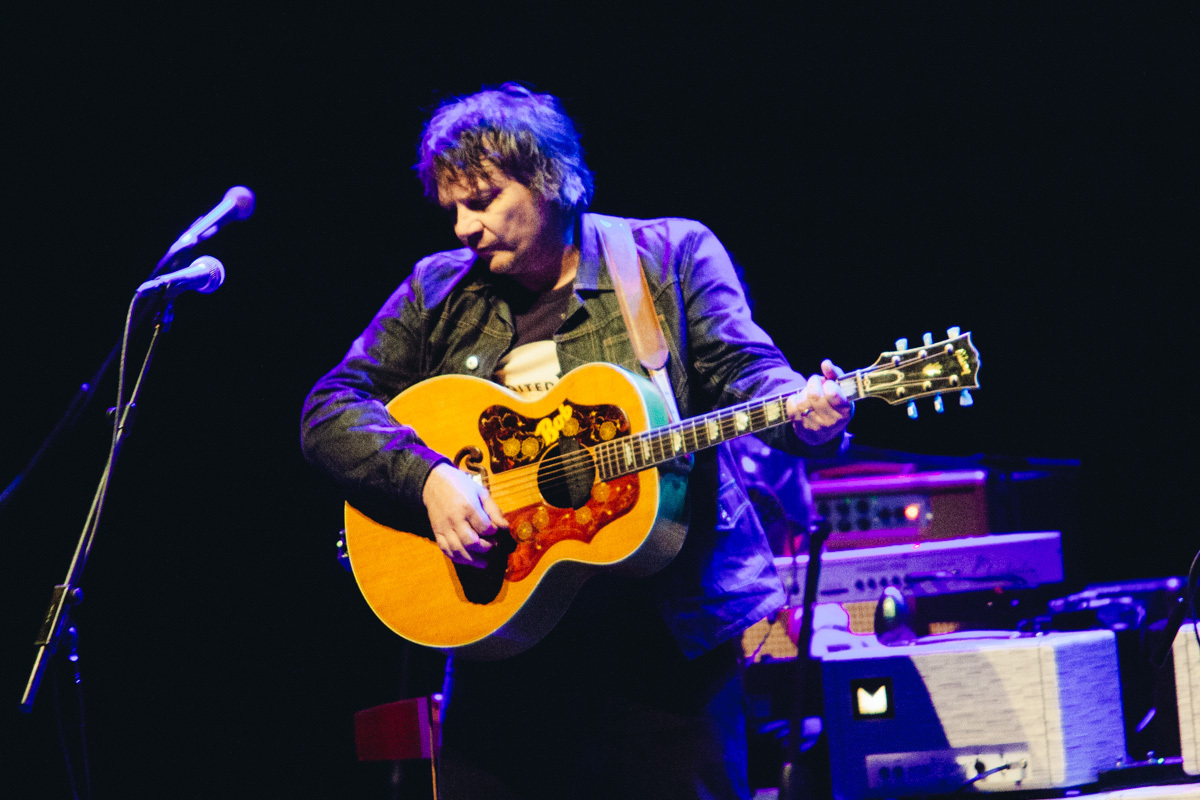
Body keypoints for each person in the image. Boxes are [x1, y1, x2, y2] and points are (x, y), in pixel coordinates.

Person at [300, 83, 853, 800]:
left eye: (483, 200)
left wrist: (808, 414)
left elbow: (751, 378)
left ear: (551, 180)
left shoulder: (669, 257)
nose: (463, 227)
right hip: (499, 643)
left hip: (664, 653)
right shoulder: (438, 291)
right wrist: (430, 478)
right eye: (452, 208)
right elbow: (329, 408)